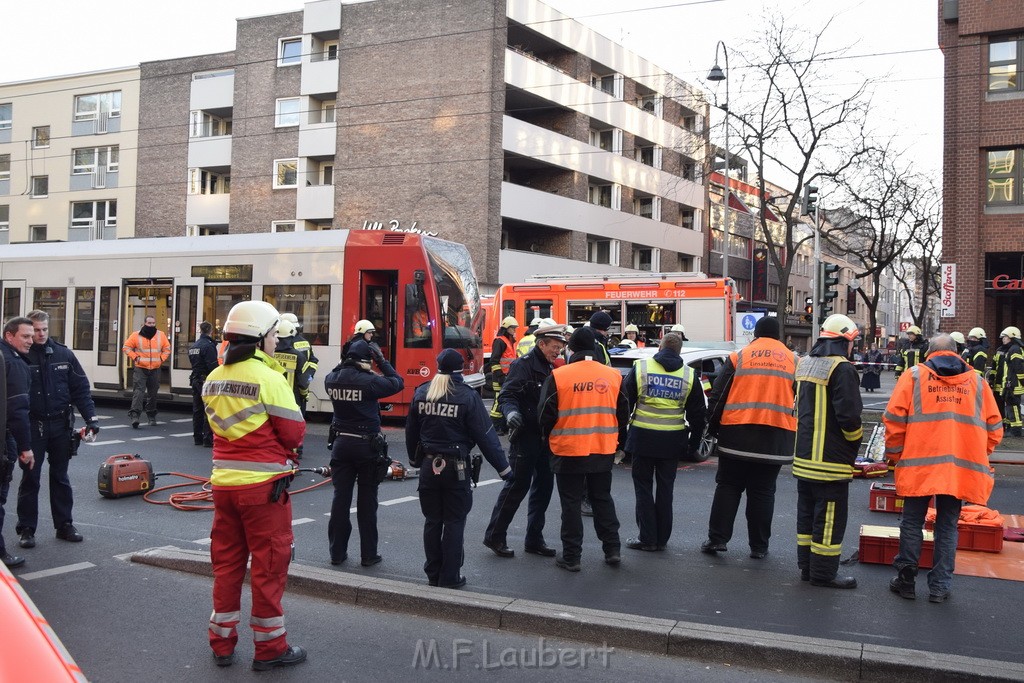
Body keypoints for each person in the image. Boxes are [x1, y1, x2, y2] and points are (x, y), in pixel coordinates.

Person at [202, 300, 306, 671]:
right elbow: (293, 433)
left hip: (223, 487)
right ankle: (270, 648)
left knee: (227, 566)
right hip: (263, 491)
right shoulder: (269, 378)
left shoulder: (214, 377)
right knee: (269, 567)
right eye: (275, 333)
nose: (277, 340)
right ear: (261, 338)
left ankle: (222, 643)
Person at [884, 334, 1002, 603]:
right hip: (959, 470)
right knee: (948, 526)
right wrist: (977, 452)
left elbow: (893, 420)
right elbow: (994, 429)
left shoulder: (914, 377)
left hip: (918, 466)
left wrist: (894, 455)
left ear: (929, 352)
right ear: (957, 352)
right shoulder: (978, 383)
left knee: (912, 522)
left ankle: (906, 582)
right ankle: (939, 587)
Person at [406, 349, 513, 588]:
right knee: (454, 522)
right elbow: (486, 436)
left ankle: (433, 574)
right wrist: (504, 469)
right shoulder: (466, 396)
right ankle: (450, 577)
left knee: (433, 521)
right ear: (460, 369)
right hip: (457, 468)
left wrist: (414, 460)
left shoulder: (423, 391)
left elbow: (411, 431)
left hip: (427, 466)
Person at [701, 317, 794, 559]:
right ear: (779, 335)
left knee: (729, 487)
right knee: (763, 492)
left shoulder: (739, 357)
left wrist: (712, 428)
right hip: (776, 437)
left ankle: (717, 540)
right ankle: (759, 547)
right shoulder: (794, 361)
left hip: (737, 434)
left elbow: (719, 395)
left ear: (755, 333)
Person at [538, 327, 629, 571]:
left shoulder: (559, 376)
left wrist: (547, 441)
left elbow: (545, 415)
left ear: (572, 349)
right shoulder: (614, 376)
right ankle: (612, 550)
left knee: (570, 504)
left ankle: (572, 557)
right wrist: (619, 443)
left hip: (568, 449)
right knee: (602, 499)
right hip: (602, 448)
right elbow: (623, 414)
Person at [15, 310, 99, 549]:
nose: (40, 335)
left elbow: (81, 389)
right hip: (34, 425)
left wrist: (92, 419)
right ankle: (27, 529)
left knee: (60, 477)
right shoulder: (21, 355)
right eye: (35, 330)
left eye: (44, 330)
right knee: (30, 478)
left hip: (61, 425)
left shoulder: (63, 354)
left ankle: (64, 525)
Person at [483, 324, 567, 558]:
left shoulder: (552, 366)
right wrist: (511, 414)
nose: (557, 352)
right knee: (516, 488)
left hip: (546, 438)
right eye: (554, 347)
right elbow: (508, 395)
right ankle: (495, 536)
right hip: (526, 436)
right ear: (541, 344)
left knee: (543, 490)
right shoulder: (524, 365)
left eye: (560, 348)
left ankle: (534, 539)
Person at [793, 314, 863, 589]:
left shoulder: (805, 363)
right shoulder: (843, 368)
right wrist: (853, 445)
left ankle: (807, 568)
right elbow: (849, 418)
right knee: (830, 518)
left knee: (807, 515)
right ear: (845, 340)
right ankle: (824, 573)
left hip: (804, 458)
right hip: (831, 462)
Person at [324, 339, 404, 567]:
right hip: (367, 447)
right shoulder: (369, 382)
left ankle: (336, 554)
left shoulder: (332, 379)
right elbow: (397, 383)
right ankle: (368, 555)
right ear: (366, 361)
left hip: (341, 445)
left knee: (340, 499)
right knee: (367, 503)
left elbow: (338, 369)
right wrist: (382, 361)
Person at [623, 332, 705, 552]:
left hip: (642, 438)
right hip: (671, 441)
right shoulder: (689, 375)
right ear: (679, 351)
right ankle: (661, 539)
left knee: (643, 488)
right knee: (666, 490)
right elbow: (698, 415)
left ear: (660, 347)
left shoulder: (641, 369)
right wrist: (694, 445)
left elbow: (624, 404)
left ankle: (647, 538)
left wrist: (622, 439)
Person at [1, 318, 36, 569]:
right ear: (9, 335)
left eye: (32, 336)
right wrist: (26, 447)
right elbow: (18, 410)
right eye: (25, 336)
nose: (31, 341)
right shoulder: (12, 363)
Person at [122, 314, 170, 428]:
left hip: (155, 369)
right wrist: (135, 357)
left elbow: (167, 349)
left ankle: (151, 415)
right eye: (149, 323)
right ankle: (135, 416)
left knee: (153, 394)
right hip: (141, 368)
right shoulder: (135, 335)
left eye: (153, 323)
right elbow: (126, 347)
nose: (151, 325)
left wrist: (161, 359)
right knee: (139, 392)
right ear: (144, 324)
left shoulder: (161, 335)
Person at [274, 320, 317, 417]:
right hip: (292, 401)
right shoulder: (298, 356)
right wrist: (304, 395)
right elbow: (304, 382)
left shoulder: (268, 354)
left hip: (272, 400)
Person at [188, 321, 218, 447]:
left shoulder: (194, 346)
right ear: (211, 331)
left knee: (197, 410)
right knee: (208, 410)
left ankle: (197, 437)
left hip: (195, 380)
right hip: (206, 381)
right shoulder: (209, 346)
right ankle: (207, 438)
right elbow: (212, 366)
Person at [487, 316, 519, 433]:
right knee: (498, 401)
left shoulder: (508, 341)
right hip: (500, 378)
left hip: (507, 377)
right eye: (513, 328)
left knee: (504, 400)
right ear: (507, 328)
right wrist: (500, 376)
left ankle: (502, 426)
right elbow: (494, 361)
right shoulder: (500, 341)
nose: (514, 330)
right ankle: (495, 426)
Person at [994, 326, 1024, 437]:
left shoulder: (1014, 349)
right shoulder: (1012, 349)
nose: (1003, 339)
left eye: (1005, 337)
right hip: (1011, 383)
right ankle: (1012, 428)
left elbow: (1018, 368)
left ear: (1012, 337)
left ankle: (1016, 431)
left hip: (1014, 384)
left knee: (1014, 406)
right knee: (1010, 406)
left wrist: (1020, 381)